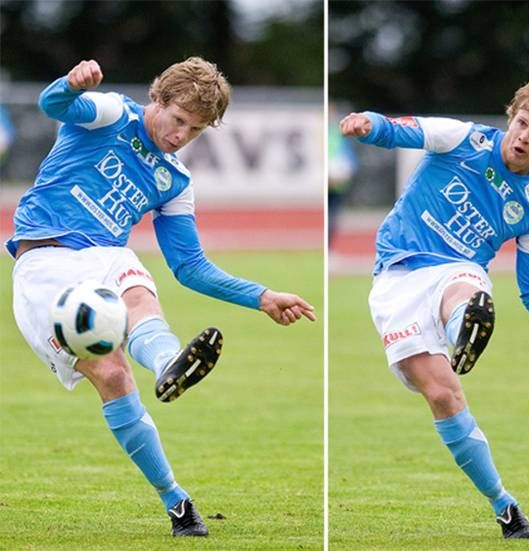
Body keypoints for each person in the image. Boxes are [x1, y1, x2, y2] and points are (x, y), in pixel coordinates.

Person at [7, 58, 316, 536]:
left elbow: (190, 268)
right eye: (178, 120)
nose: (180, 136)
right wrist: (71, 83)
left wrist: (262, 296)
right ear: (158, 99)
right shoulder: (112, 114)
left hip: (103, 259)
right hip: (44, 266)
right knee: (111, 373)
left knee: (129, 275)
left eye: (195, 130)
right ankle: (175, 495)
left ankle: (169, 366)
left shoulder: (175, 183)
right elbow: (54, 105)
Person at [339, 80, 529, 539]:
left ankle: (465, 327)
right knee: (443, 396)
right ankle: (504, 504)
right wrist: (367, 124)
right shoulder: (462, 139)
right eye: (522, 123)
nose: (524, 137)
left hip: (459, 272)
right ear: (511, 115)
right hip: (397, 277)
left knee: (469, 291)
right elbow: (401, 130)